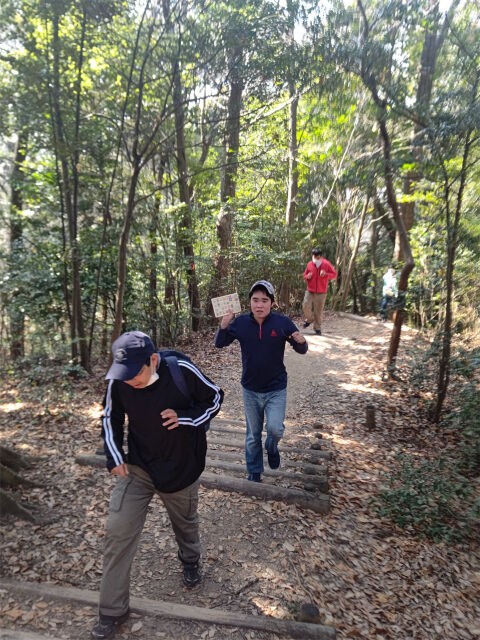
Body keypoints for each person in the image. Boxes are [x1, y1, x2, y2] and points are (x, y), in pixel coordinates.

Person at [91, 331, 224, 640]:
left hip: (181, 467)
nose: (129, 382)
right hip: (138, 467)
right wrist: (114, 455)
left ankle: (190, 560)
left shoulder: (180, 369)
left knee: (185, 523)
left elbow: (215, 397)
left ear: (153, 360)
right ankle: (112, 611)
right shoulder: (119, 380)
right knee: (117, 530)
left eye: (136, 374)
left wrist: (186, 418)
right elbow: (110, 417)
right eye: (124, 375)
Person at [214, 280, 307, 483]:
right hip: (250, 389)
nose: (259, 304)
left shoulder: (282, 323)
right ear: (249, 302)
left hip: (276, 388)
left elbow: (301, 349)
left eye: (264, 300)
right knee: (253, 435)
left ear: (272, 303)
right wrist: (224, 324)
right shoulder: (240, 323)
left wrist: (301, 341)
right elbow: (220, 343)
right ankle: (254, 471)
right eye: (255, 300)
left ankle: (272, 447)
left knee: (275, 429)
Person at [302, 247, 337, 335]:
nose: (314, 258)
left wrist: (326, 274)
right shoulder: (309, 264)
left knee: (318, 311)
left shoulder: (326, 264)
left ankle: (317, 328)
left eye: (317, 257)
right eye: (313, 256)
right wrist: (307, 276)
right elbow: (305, 275)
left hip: (321, 291)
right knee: (305, 305)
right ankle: (309, 319)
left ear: (320, 256)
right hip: (310, 290)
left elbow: (334, 274)